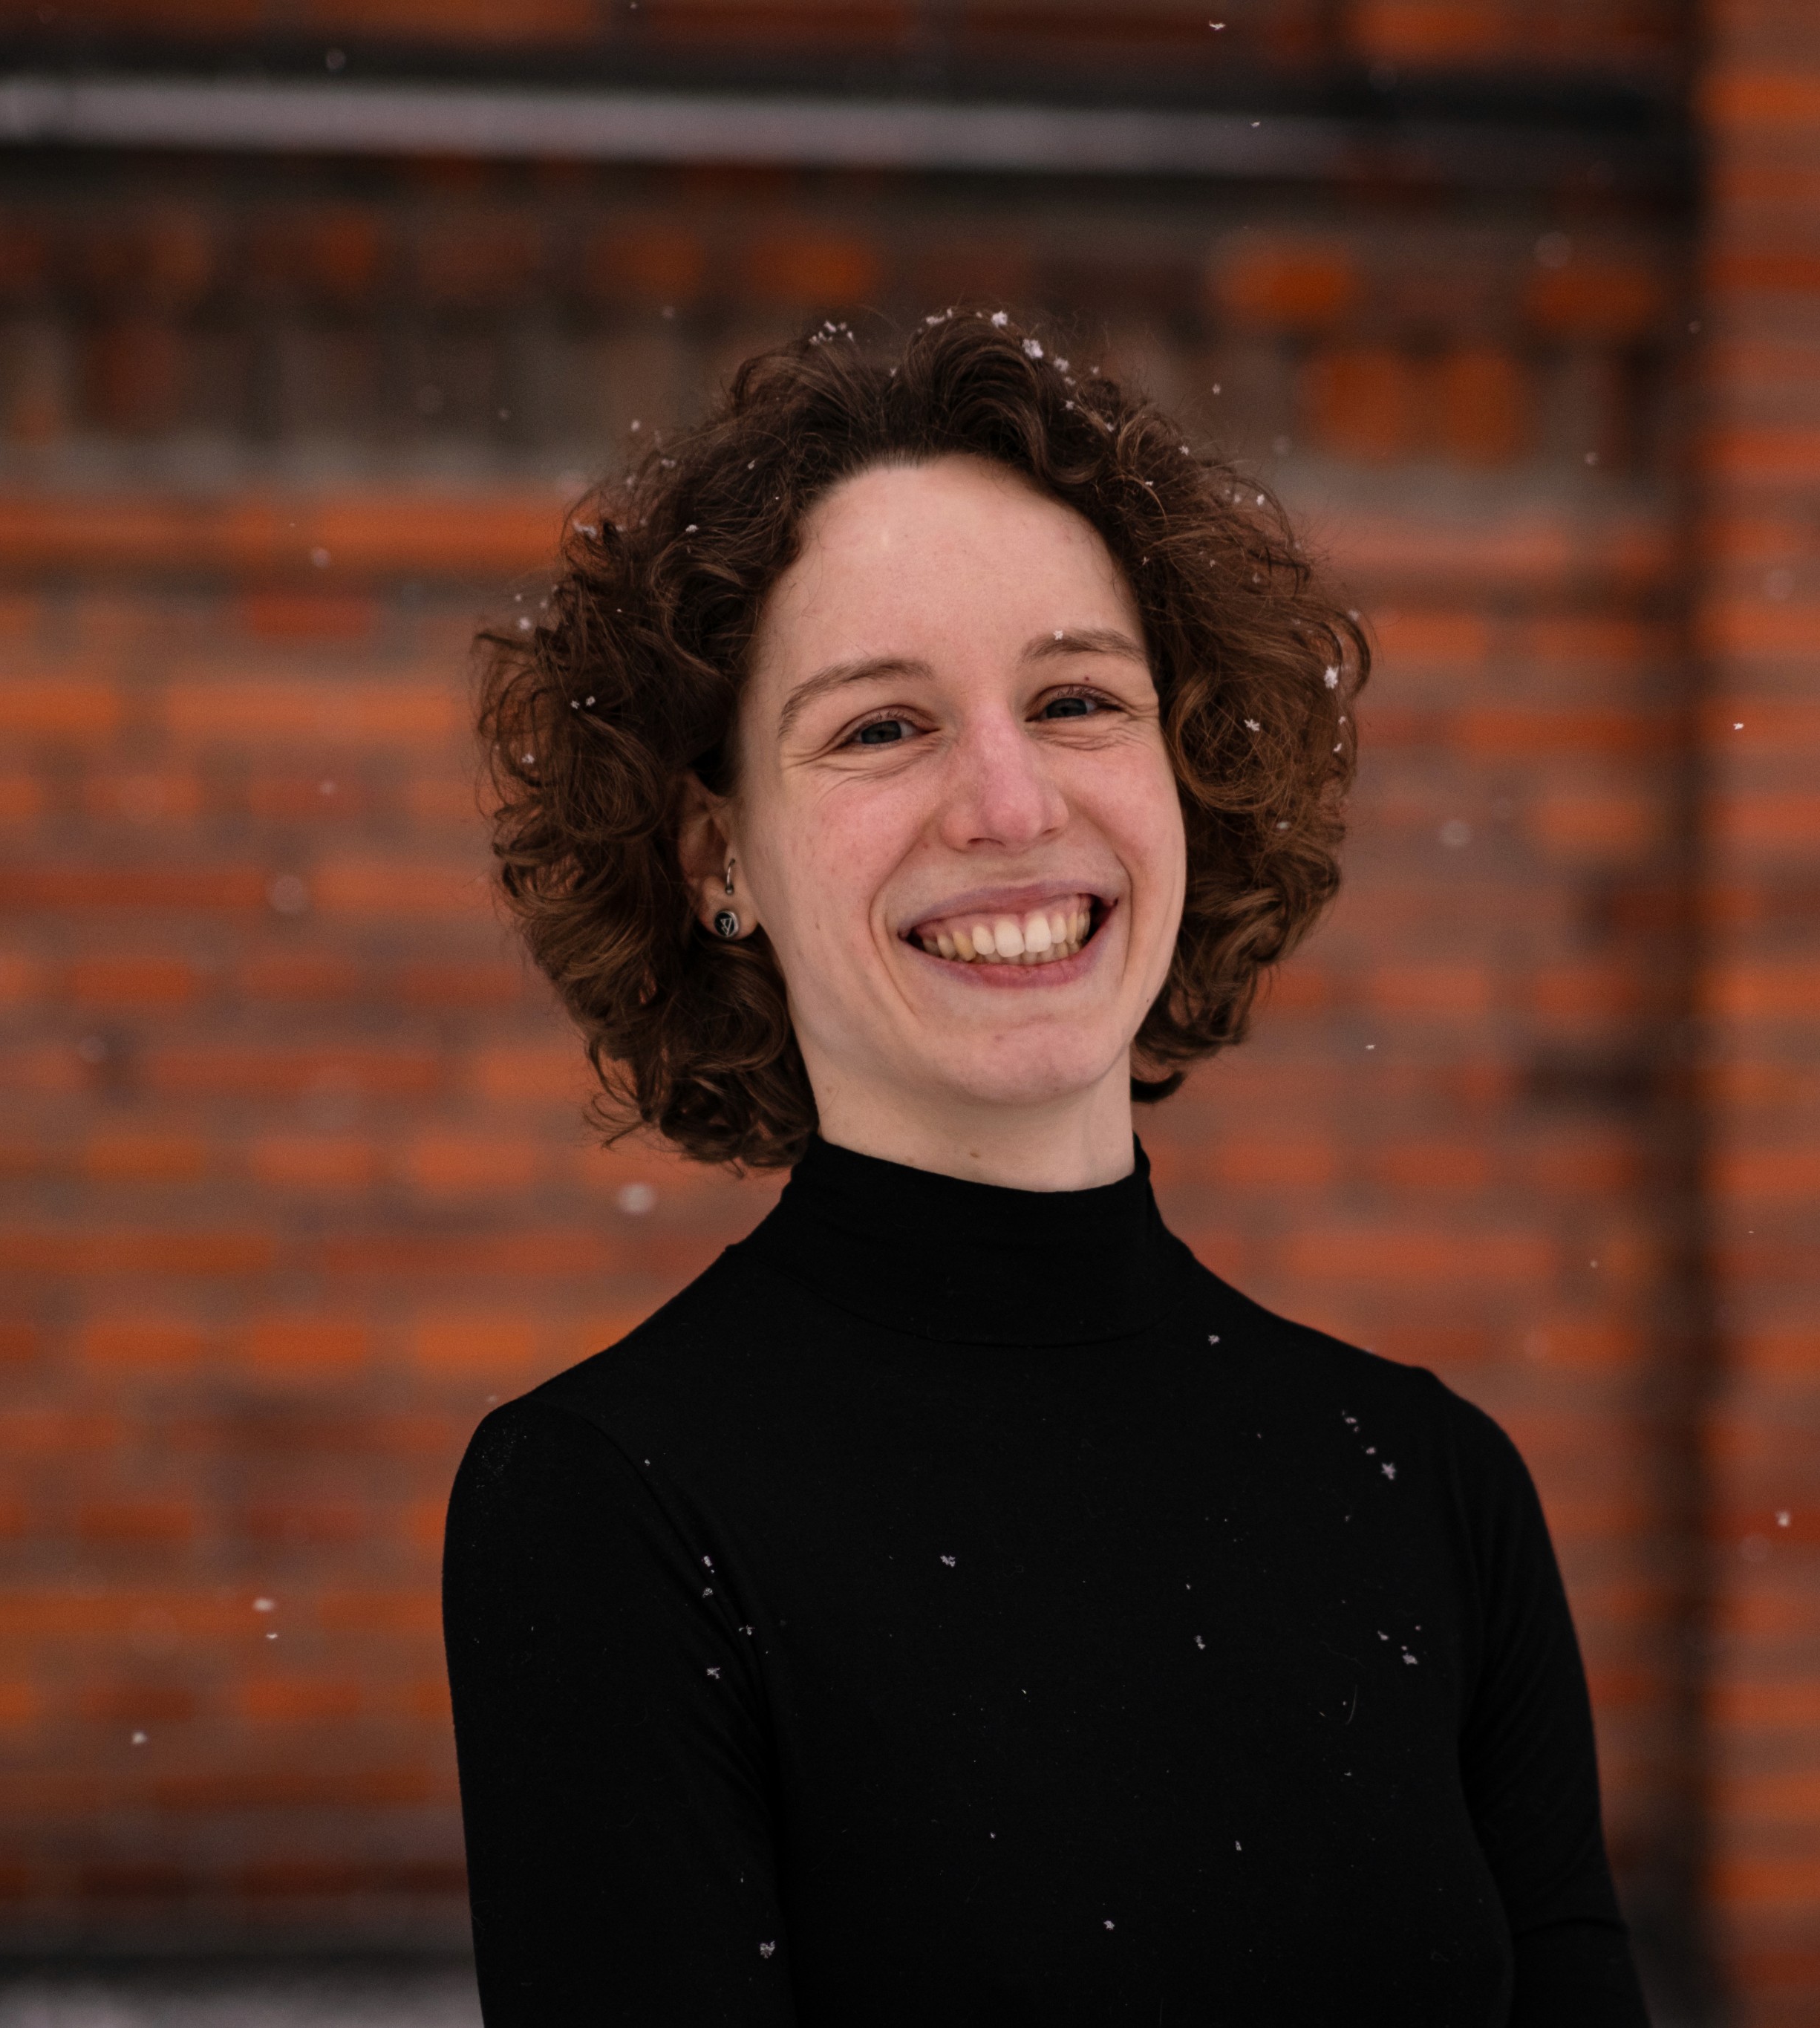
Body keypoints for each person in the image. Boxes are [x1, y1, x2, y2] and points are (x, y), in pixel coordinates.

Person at [443, 311, 1648, 2026]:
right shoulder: (606, 1509)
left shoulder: (1432, 1490)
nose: (1007, 806)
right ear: (719, 856)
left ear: (1186, 769)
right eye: (879, 729)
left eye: (1077, 699)